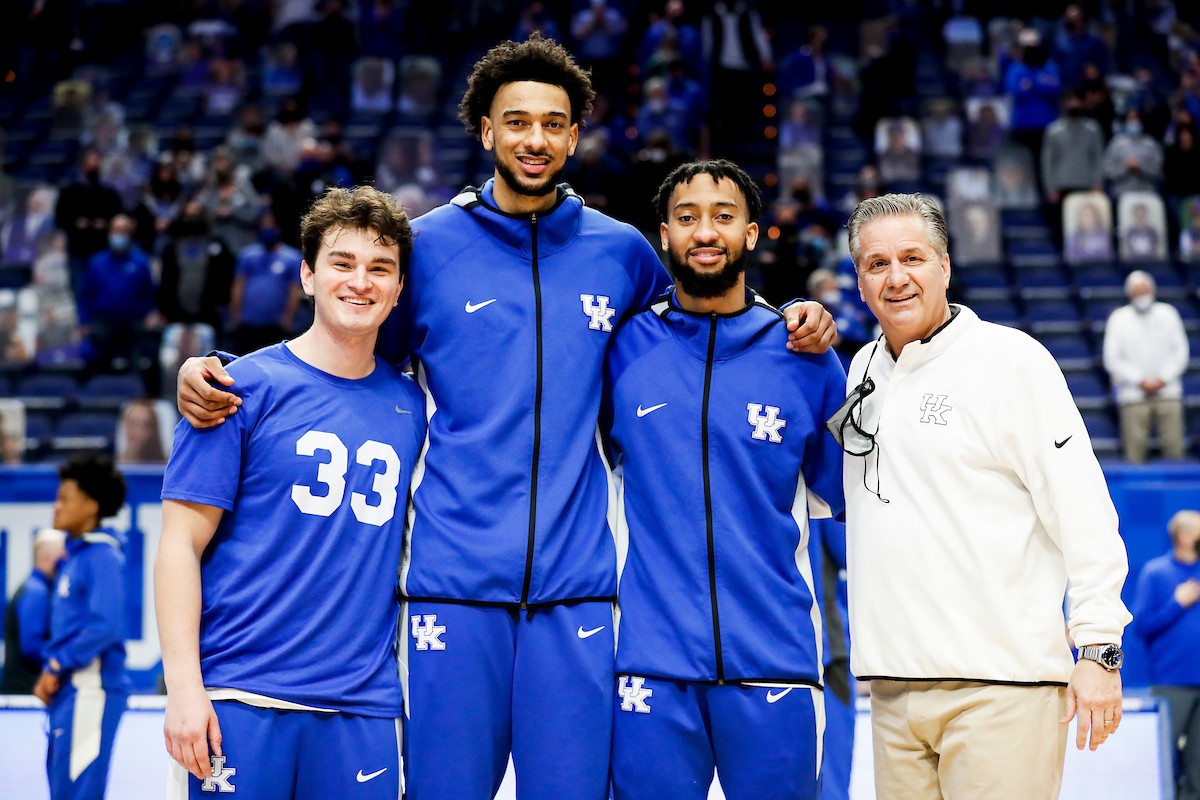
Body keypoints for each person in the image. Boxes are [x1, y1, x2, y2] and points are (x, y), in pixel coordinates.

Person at [174, 35, 836, 800]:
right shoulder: (425, 248)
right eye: (516, 121)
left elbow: (703, 310)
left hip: (577, 599)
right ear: (486, 131)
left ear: (574, 137)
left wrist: (793, 318)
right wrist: (223, 369)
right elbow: (342, 347)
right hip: (450, 592)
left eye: (554, 123)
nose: (535, 139)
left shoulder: (619, 252)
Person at [834, 193, 1132, 799]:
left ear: (945, 265)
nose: (896, 278)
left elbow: (1085, 513)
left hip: (1002, 688)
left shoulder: (1012, 360)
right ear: (859, 280)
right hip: (892, 691)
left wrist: (1099, 650)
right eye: (876, 263)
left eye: (913, 258)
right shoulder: (862, 369)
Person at [156, 186, 423, 799]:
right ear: (307, 275)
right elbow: (178, 546)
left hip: (361, 707)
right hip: (240, 697)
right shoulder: (237, 388)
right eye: (342, 263)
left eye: (381, 268)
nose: (361, 282)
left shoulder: (415, 406)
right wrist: (184, 688)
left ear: (400, 288)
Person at [604, 161, 846, 800]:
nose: (704, 232)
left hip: (775, 660)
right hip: (648, 661)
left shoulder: (807, 359)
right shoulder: (623, 350)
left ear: (753, 233)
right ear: (663, 235)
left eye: (723, 216)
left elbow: (850, 500)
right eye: (687, 218)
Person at [33, 454, 130, 800]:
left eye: (63, 499)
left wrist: (57, 664)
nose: (55, 507)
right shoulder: (76, 557)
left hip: (91, 688)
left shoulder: (102, 556)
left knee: (77, 794)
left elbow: (106, 626)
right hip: (72, 689)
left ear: (91, 505)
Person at [1132, 509, 1200, 800]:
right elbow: (1141, 626)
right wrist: (1177, 603)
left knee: (1198, 765)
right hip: (1172, 682)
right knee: (1165, 756)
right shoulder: (1156, 573)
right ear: (1184, 538)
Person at [1102, 270, 1189, 462]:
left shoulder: (1169, 314)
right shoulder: (1118, 319)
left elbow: (1181, 352)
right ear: (1130, 294)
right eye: (1137, 292)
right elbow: (1112, 359)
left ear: (1153, 291)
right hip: (1133, 395)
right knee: (1134, 454)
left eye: (1145, 291)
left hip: (1168, 392)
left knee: (1175, 449)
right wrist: (1139, 380)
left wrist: (1163, 378)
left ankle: (1176, 491)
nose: (1142, 296)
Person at [1, 529, 67, 694]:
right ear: (46, 558)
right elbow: (31, 646)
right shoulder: (35, 593)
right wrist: (63, 660)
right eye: (62, 556)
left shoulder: (38, 589)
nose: (66, 562)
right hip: (24, 693)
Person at [228, 214, 304, 354]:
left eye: (270, 227)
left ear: (278, 229)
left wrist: (288, 318)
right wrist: (235, 313)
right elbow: (238, 285)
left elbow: (294, 291)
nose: (267, 230)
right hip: (247, 322)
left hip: (276, 324)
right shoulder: (247, 255)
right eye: (263, 227)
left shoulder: (292, 257)